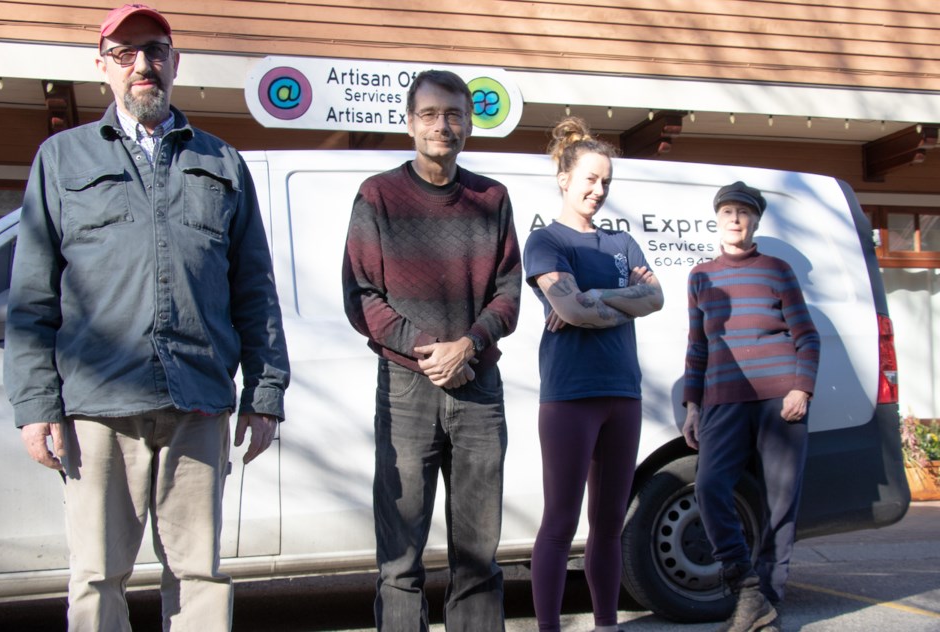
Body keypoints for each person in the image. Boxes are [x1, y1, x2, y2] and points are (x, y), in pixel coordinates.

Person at [4, 4, 290, 630]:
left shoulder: (221, 162)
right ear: (102, 65)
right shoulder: (61, 159)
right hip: (98, 404)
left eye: (156, 50)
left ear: (175, 63)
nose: (143, 64)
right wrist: (35, 404)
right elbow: (31, 297)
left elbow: (253, 288)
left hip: (199, 402)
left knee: (199, 576)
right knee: (98, 577)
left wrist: (265, 392)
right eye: (126, 52)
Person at [342, 69, 522, 631]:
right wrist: (430, 349)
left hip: (478, 389)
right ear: (409, 123)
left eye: (453, 114)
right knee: (399, 559)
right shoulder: (378, 196)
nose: (442, 125)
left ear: (469, 122)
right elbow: (361, 295)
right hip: (405, 390)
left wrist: (469, 344)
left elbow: (510, 291)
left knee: (478, 556)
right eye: (429, 114)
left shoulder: (492, 199)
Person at [523, 117, 664, 632]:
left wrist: (597, 297)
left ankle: (607, 624)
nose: (598, 190)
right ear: (564, 178)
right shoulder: (546, 242)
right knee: (559, 525)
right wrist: (608, 304)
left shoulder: (622, 244)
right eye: (589, 179)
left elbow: (657, 297)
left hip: (623, 394)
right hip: (570, 395)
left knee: (607, 528)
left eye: (606, 181)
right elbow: (573, 309)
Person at [681, 182, 820, 632]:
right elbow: (697, 346)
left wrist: (802, 388)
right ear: (717, 219)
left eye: (744, 212)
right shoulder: (700, 276)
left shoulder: (777, 270)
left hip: (780, 401)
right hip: (722, 399)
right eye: (727, 211)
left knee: (781, 502)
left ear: (756, 221)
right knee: (710, 487)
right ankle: (746, 584)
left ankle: (770, 600)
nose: (735, 219)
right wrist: (692, 405)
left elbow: (807, 336)